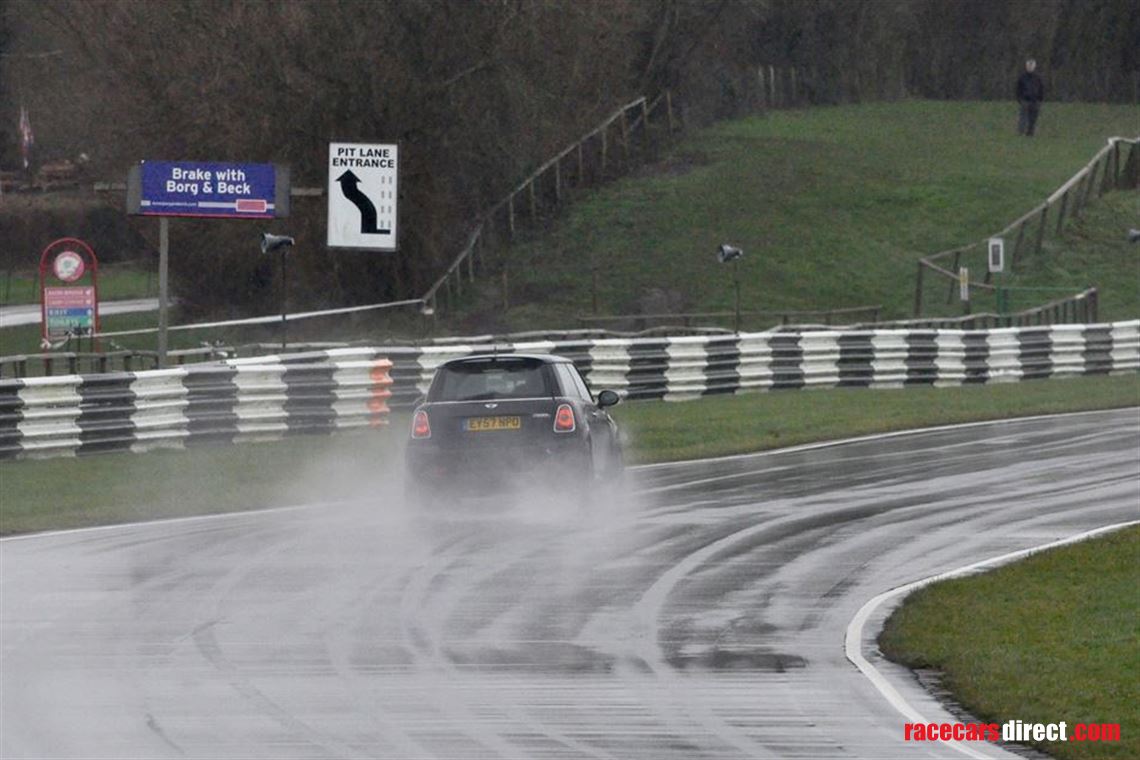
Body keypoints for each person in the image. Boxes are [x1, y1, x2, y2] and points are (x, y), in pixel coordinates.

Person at [1016, 59, 1045, 136]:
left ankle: (1030, 133)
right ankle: (1021, 132)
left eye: (1031, 66)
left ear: (1034, 67)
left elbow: (1041, 88)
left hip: (1035, 101)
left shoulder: (1038, 78)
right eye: (1028, 66)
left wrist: (1040, 99)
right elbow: (1018, 89)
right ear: (1026, 67)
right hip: (1025, 100)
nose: (1030, 67)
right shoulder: (1022, 77)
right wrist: (1020, 98)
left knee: (1033, 118)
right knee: (1023, 118)